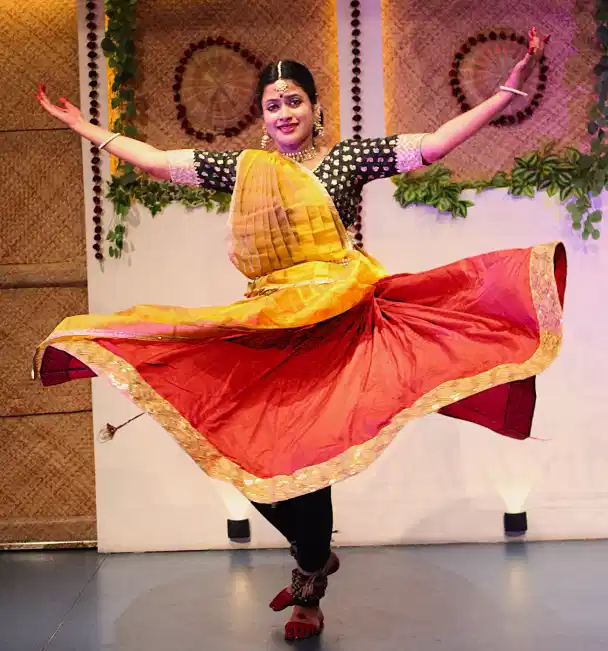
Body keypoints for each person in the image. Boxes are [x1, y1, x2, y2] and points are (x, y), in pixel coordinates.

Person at [35, 28, 564, 641]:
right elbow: (158, 161)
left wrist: (506, 91)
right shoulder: (246, 170)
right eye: (273, 104)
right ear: (262, 117)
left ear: (315, 109)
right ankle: (314, 556)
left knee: (314, 460)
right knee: (241, 453)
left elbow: (436, 144)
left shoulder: (347, 161)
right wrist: (86, 128)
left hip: (337, 327)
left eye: (294, 101)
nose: (284, 112)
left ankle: (308, 592)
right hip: (272, 328)